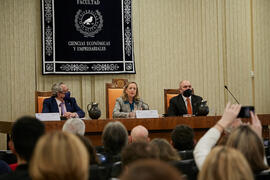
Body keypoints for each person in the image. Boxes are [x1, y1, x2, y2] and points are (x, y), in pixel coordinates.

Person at [193, 102, 269, 174]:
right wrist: (257, 137)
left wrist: (223, 122)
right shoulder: (264, 169)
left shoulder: (218, 172)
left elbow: (201, 149)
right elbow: (259, 156)